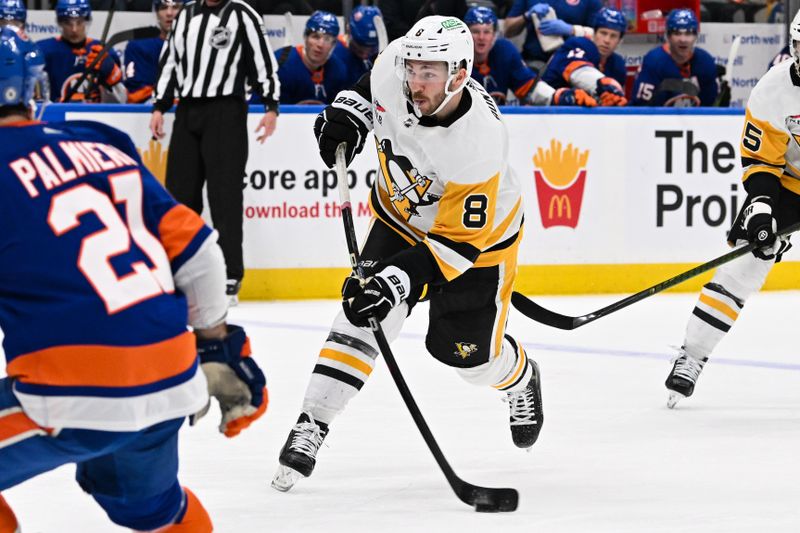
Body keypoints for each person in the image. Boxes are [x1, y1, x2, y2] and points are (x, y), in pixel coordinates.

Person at [0, 26, 268, 531]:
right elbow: (201, 254)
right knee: (154, 510)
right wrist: (216, 346)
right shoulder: (99, 143)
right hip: (173, 379)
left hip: (74, 391)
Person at [271, 15, 544, 492]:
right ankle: (313, 422)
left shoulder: (477, 142)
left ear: (459, 75)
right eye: (412, 68)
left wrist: (394, 284)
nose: (414, 81)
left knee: (468, 361)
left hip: (475, 246)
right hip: (400, 218)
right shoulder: (395, 63)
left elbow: (454, 246)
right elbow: (365, 90)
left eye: (429, 74)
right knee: (360, 317)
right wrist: (348, 118)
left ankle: (519, 377)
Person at [664, 10, 800, 408]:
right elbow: (761, 161)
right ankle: (692, 355)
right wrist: (761, 208)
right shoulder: (774, 88)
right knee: (742, 267)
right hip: (790, 183)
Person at [151, 0, 280, 305]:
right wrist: (159, 105)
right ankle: (179, 267)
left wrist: (271, 106)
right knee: (180, 197)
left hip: (226, 110)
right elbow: (170, 61)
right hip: (187, 112)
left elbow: (262, 61)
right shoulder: (186, 15)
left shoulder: (241, 13)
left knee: (225, 196)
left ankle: (230, 274)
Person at [465, 5, 596, 106]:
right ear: (466, 34)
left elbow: (529, 87)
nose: (481, 37)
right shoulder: (457, 55)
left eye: (487, 32)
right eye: (476, 31)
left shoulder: (504, 51)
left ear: (494, 35)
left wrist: (559, 96)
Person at [37, 0, 126, 103]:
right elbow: (36, 99)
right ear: (60, 22)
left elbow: (123, 100)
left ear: (86, 21)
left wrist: (111, 73)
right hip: (58, 117)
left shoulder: (104, 52)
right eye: (68, 23)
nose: (74, 29)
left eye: (79, 22)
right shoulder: (44, 51)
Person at [540, 7, 628, 106]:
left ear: (620, 41)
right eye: (603, 33)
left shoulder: (617, 65)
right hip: (550, 109)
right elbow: (578, 72)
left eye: (613, 36)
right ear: (594, 33)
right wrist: (603, 84)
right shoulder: (577, 44)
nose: (607, 40)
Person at [631, 9, 718, 107]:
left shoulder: (705, 62)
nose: (683, 40)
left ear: (696, 36)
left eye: (688, 33)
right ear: (668, 36)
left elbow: (709, 108)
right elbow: (641, 108)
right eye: (677, 33)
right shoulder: (654, 62)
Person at [274, 10, 349, 104]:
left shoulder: (338, 69)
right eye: (315, 37)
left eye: (327, 39)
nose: (320, 44)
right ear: (305, 38)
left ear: (334, 45)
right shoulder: (281, 64)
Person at [504, 0, 602, 68]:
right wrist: (526, 16)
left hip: (571, 62)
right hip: (534, 60)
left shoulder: (591, 2)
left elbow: (601, 37)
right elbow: (508, 31)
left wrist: (572, 30)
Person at [124, 0, 182, 104]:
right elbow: (136, 94)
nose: (169, 13)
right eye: (163, 7)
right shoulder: (139, 46)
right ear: (156, 13)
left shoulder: (200, 44)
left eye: (175, 7)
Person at [333, 5, 381, 87]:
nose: (365, 54)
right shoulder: (334, 53)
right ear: (348, 30)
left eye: (371, 49)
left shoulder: (375, 55)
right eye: (360, 47)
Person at [378, 0, 468, 41]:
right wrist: (417, 38)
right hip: (405, 46)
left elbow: (461, 20)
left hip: (445, 46)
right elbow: (390, 20)